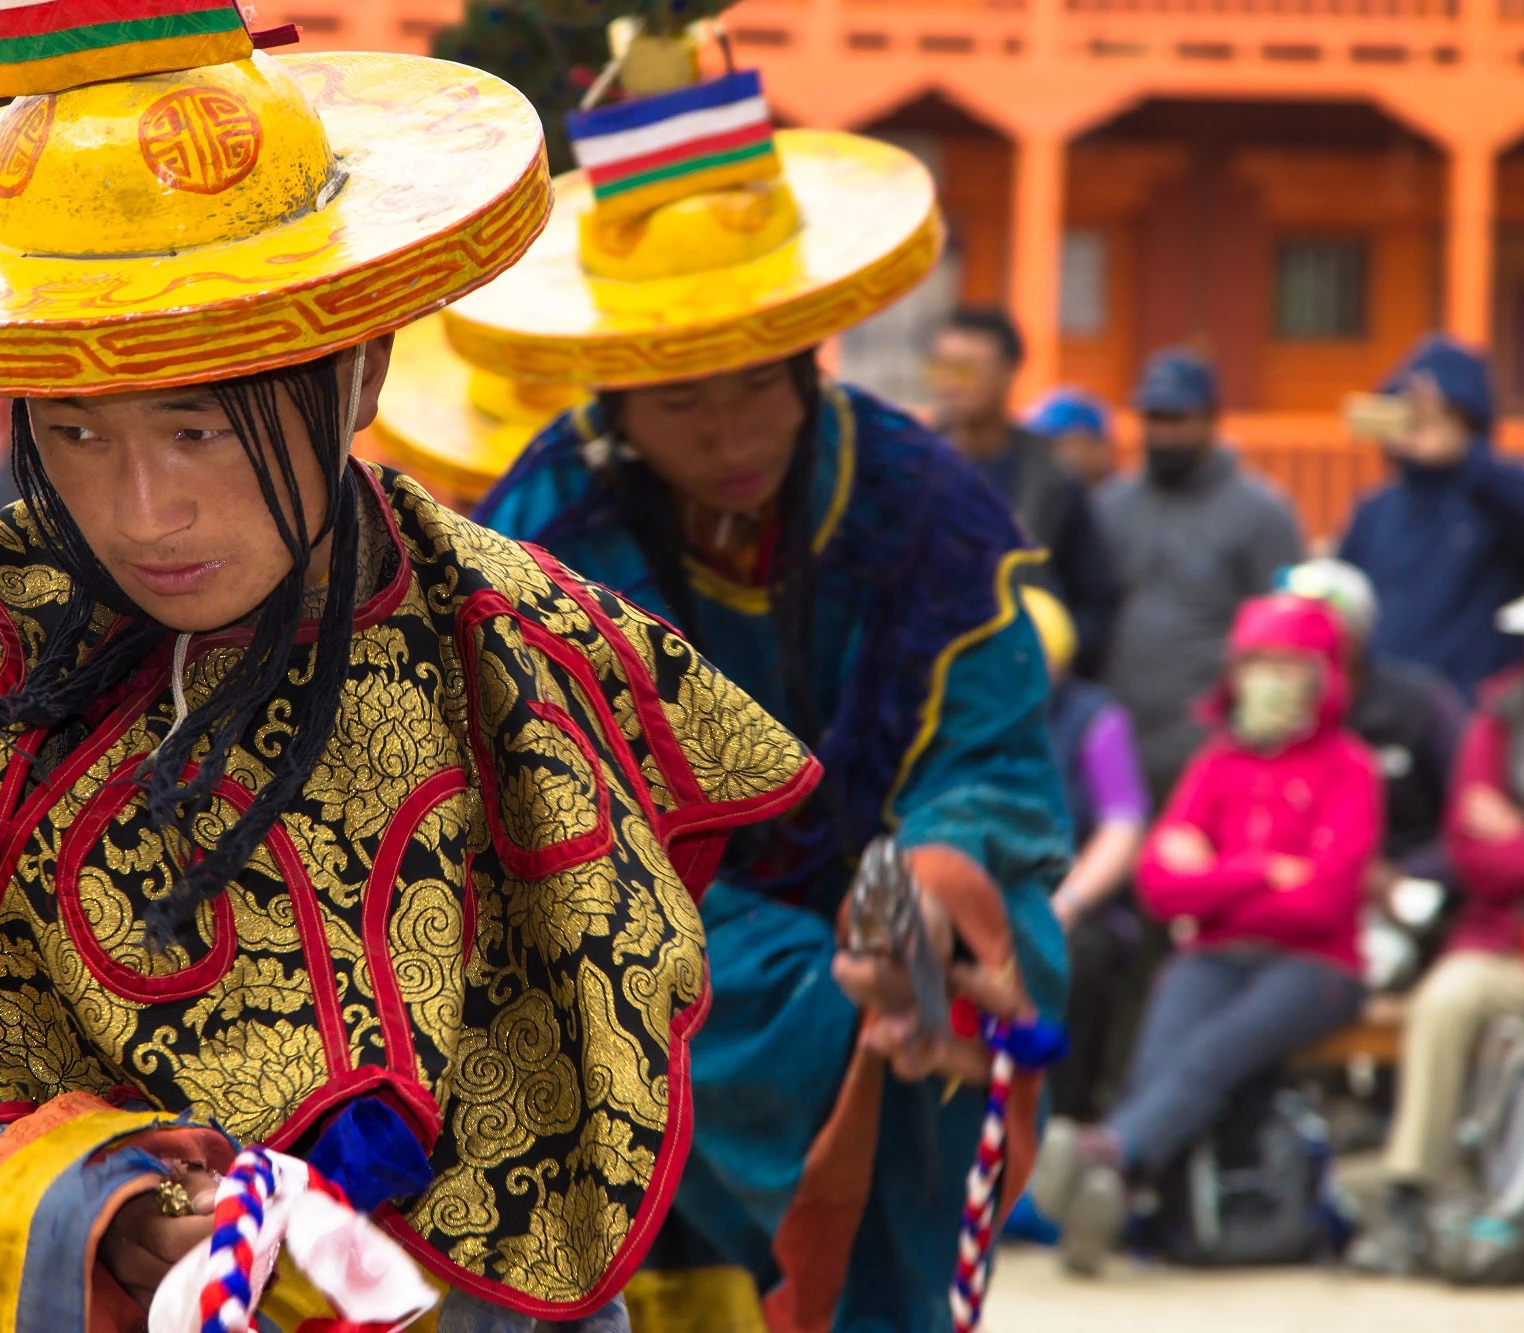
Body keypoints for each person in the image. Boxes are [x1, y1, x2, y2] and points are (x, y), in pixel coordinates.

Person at [0, 16, 821, 1331]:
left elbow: (552, 1175)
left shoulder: (527, 670)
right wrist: (87, 1208)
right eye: (75, 431)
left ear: (361, 370)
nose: (145, 515)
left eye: (197, 429)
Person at [454, 52, 1070, 1333]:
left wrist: (946, 868)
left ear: (805, 364)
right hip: (658, 918)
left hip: (893, 887)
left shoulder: (925, 504)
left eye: (757, 387)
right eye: (682, 401)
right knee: (697, 991)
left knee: (980, 953)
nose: (731, 437)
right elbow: (522, 800)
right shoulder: (542, 525)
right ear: (616, 389)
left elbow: (997, 748)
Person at [1036, 594, 1377, 1275]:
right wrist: (1264, 872)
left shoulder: (1351, 768)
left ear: (1322, 674)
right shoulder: (1216, 764)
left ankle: (1111, 1159)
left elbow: (1323, 904)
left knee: (1215, 1051)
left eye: (1287, 662)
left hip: (1318, 968)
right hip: (1216, 953)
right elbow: (1161, 887)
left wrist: (1216, 877)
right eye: (1256, 661)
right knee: (1160, 1050)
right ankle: (1121, 1186)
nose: (1268, 676)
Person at [1348, 594, 1524, 1275]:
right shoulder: (1500, 716)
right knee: (1444, 1001)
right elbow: (1469, 850)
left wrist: (1514, 832)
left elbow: (1498, 846)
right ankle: (1411, 1192)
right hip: (1501, 943)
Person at [1099, 348, 1305, 805]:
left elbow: (1283, 626)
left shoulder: (1261, 512)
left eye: (1177, 419)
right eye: (1153, 419)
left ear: (1211, 419)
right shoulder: (1110, 506)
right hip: (1120, 730)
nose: (1163, 433)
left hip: (1213, 739)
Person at [1278, 559, 1464, 946]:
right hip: (1295, 893)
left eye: (1317, 623)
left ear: (1355, 632)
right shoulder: (1270, 715)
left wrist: (1409, 872)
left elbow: (1474, 818)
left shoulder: (1420, 703)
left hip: (1404, 894)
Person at [929, 308, 1118, 677]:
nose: (951, 381)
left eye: (967, 368)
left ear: (1008, 372)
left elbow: (1096, 598)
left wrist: (1059, 662)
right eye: (942, 367)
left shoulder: (1052, 479)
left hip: (1020, 683)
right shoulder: (907, 470)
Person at [1020, 586, 1148, 1123]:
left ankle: (1065, 1118)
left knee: (1074, 961)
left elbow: (1123, 824)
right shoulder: (965, 714)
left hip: (1076, 905)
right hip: (985, 895)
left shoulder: (1095, 719)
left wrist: (1068, 901)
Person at [1340, 336, 1524, 704]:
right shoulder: (1376, 510)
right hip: (1387, 713)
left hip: (1468, 708)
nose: (1423, 428)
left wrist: (1465, 458)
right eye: (1412, 413)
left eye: (1441, 415)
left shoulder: (1494, 496)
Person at [1027, 387, 1117, 490]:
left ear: (1098, 449)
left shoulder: (1124, 501)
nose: (1045, 453)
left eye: (1057, 443)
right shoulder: (1044, 495)